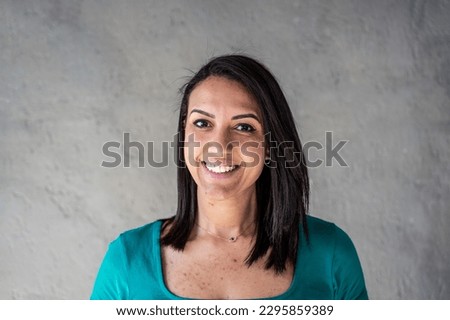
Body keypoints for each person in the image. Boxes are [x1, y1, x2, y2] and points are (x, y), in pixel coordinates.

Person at [90, 54, 368, 300]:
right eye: (202, 123)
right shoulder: (126, 260)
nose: (219, 146)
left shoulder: (331, 254)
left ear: (271, 146)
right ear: (183, 137)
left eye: (244, 127)